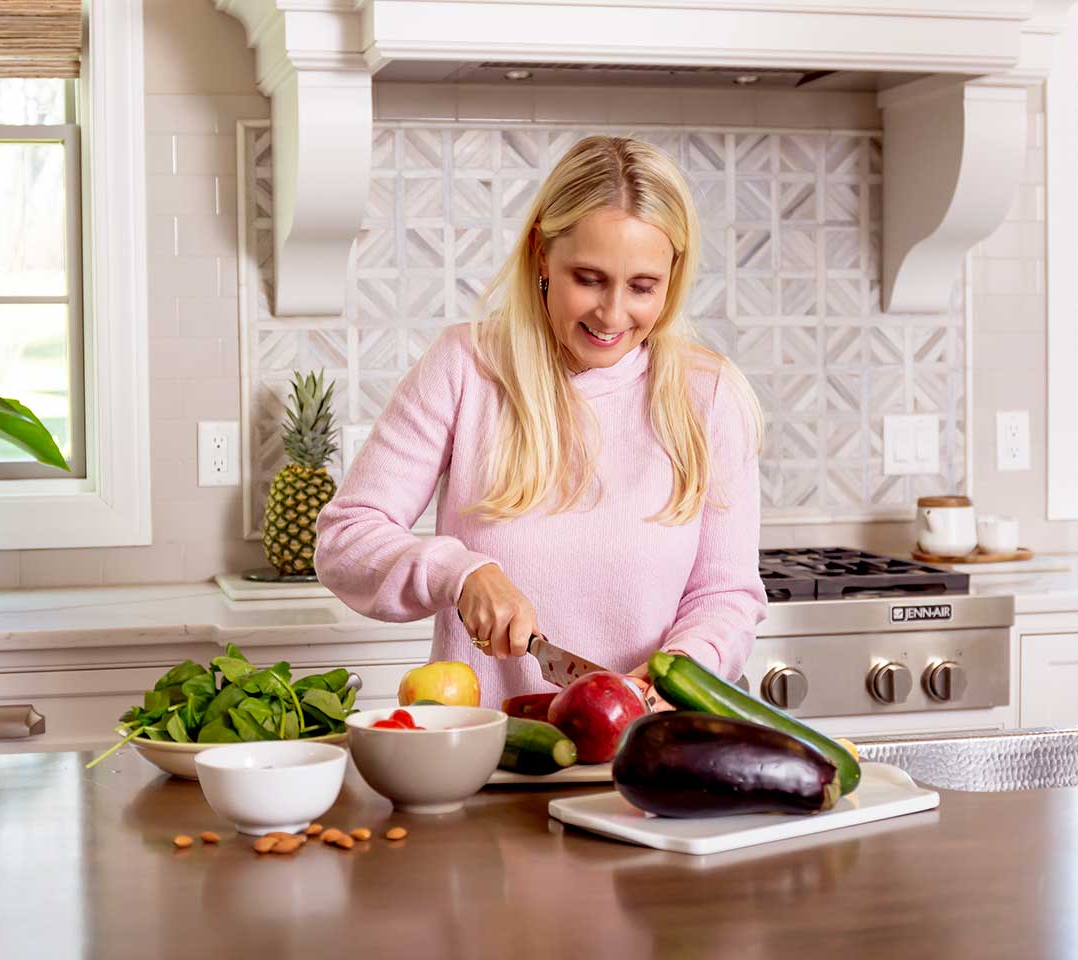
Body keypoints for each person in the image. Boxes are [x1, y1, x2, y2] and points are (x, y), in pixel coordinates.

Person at [314, 135, 767, 708]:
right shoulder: (466, 368)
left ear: (672, 278)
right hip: (481, 758)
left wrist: (673, 675)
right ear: (540, 255)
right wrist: (459, 572)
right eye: (589, 278)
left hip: (638, 759)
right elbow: (346, 540)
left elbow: (725, 595)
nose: (612, 314)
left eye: (643, 287)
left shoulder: (709, 395)